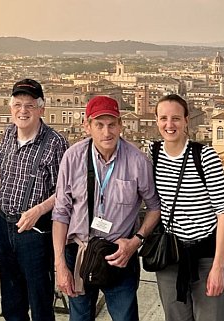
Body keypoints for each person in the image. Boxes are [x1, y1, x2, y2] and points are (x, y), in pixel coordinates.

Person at [52, 96, 161, 321]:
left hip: (120, 254)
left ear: (120, 125)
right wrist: (60, 264)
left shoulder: (137, 161)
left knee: (124, 318)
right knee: (80, 318)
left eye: (112, 125)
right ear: (87, 126)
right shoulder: (72, 158)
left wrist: (136, 241)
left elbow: (154, 207)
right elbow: (61, 212)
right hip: (80, 252)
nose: (106, 132)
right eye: (99, 125)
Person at [0, 79, 68, 321]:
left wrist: (37, 211)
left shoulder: (55, 143)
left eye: (30, 106)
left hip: (36, 230)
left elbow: (67, 191)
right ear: (11, 107)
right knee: (11, 299)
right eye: (18, 105)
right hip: (4, 224)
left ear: (41, 109)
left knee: (40, 301)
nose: (23, 111)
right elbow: (5, 174)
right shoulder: (9, 133)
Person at [151, 94, 224, 321]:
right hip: (171, 257)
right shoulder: (153, 155)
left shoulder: (204, 156)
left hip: (207, 256)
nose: (169, 125)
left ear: (186, 120)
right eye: (164, 118)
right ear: (156, 121)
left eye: (176, 118)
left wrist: (218, 267)